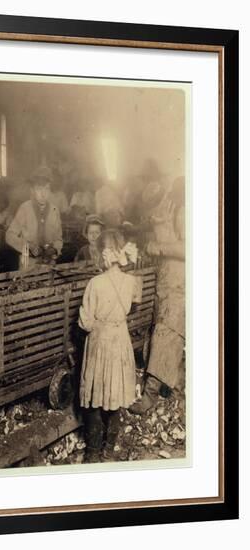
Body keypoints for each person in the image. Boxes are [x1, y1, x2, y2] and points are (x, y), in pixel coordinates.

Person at [78, 229, 141, 462]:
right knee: (115, 397)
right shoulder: (130, 281)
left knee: (95, 395)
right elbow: (133, 307)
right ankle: (109, 450)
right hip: (120, 339)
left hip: (100, 341)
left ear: (104, 254)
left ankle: (93, 453)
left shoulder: (95, 283)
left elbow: (85, 322)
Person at [129, 176, 185, 414]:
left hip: (179, 282)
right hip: (166, 279)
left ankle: (150, 396)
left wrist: (158, 247)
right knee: (161, 331)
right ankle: (172, 384)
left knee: (167, 333)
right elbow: (156, 224)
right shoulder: (167, 208)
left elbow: (190, 247)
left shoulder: (182, 211)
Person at [5, 166, 63, 268]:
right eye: (39, 189)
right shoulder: (25, 208)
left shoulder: (54, 210)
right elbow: (9, 236)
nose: (43, 194)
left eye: (46, 189)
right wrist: (28, 246)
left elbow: (58, 239)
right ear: (32, 190)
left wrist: (54, 249)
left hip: (49, 264)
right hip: (28, 263)